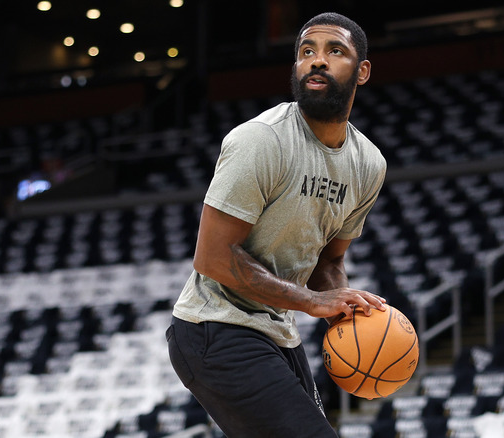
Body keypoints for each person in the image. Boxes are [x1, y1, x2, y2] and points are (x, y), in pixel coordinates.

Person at [166, 12, 387, 437]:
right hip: (214, 327)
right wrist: (308, 302)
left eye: (334, 51)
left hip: (276, 331)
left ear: (362, 72)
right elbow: (212, 257)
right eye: (307, 52)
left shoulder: (368, 164)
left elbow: (329, 260)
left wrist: (343, 310)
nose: (316, 61)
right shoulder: (261, 140)